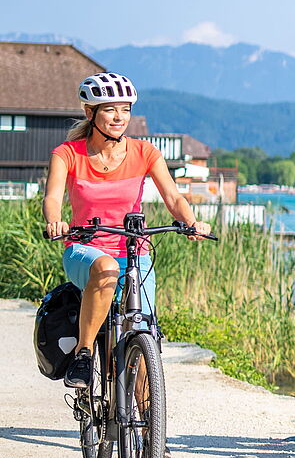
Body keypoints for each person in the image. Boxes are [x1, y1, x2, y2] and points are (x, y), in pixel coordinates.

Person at [42, 72, 211, 388]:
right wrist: (56, 221)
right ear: (90, 113)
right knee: (105, 269)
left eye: (125, 109)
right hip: (85, 249)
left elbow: (173, 196)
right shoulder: (67, 154)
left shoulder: (144, 152)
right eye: (110, 109)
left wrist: (191, 221)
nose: (119, 117)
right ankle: (83, 354)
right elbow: (52, 198)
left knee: (142, 331)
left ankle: (151, 434)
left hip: (134, 252)